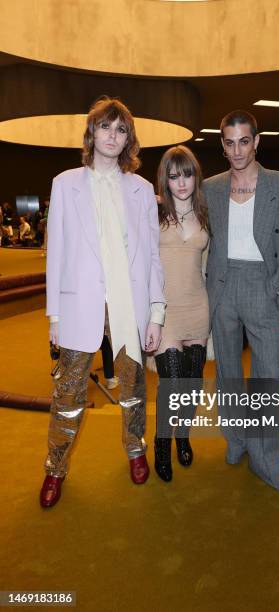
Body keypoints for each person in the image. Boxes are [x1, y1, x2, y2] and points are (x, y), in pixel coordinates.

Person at [39, 96, 165, 508]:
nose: (112, 136)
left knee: (132, 387)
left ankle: (135, 450)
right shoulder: (65, 183)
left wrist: (156, 312)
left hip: (131, 304)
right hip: (80, 305)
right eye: (105, 128)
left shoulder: (143, 190)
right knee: (68, 394)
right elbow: (55, 252)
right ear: (91, 134)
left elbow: (152, 256)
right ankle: (55, 468)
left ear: (128, 138)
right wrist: (55, 315)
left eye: (121, 129)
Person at [203, 110, 279, 490]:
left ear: (257, 141)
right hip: (223, 285)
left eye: (245, 141)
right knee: (228, 372)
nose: (238, 150)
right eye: (230, 142)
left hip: (264, 284)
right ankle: (237, 440)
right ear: (222, 145)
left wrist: (276, 285)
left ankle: (266, 460)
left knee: (268, 378)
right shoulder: (210, 187)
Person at [153, 145, 209, 482]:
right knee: (171, 384)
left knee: (191, 385)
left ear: (195, 176)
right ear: (166, 181)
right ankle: (161, 446)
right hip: (165, 311)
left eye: (186, 174)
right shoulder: (154, 214)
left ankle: (182, 436)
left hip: (197, 307)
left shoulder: (206, 213)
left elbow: (207, 265)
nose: (181, 182)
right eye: (174, 176)